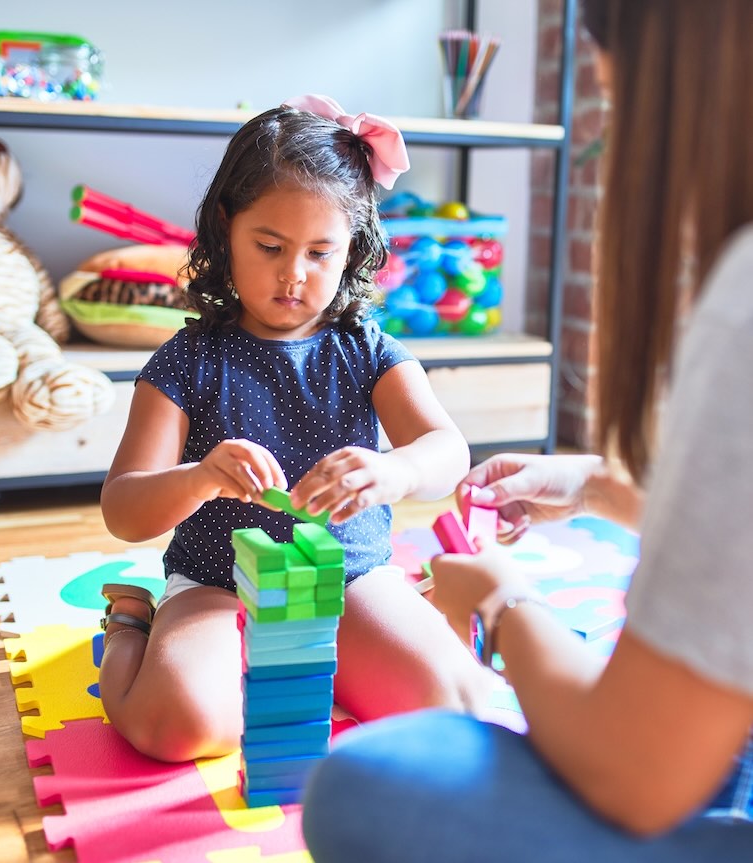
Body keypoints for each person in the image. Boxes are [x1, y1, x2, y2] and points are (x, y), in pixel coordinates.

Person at [302, 2, 753, 860]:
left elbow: (441, 450)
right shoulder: (197, 355)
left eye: (622, 110)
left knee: (367, 785)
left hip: (663, 770)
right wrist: (595, 485)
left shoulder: (742, 304)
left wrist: (505, 601)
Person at [97, 94, 491, 763]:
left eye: (320, 252)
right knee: (185, 726)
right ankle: (132, 624)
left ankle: (328, 653)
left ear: (354, 246)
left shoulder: (367, 348)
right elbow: (123, 509)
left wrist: (397, 469)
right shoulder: (187, 360)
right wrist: (198, 478)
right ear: (226, 229)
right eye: (271, 246)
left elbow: (448, 450)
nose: (293, 274)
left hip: (349, 575)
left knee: (457, 703)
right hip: (215, 578)